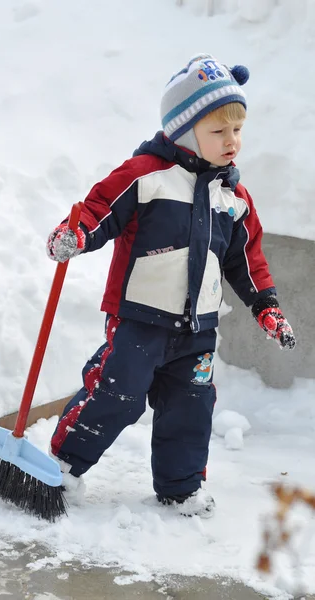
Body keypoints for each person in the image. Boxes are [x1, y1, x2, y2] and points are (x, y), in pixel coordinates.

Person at [46, 53, 296, 517]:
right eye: (219, 131)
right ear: (184, 129)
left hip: (198, 329)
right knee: (116, 397)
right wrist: (76, 234)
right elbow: (100, 207)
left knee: (191, 408)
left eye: (237, 130)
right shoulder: (146, 175)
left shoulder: (233, 197)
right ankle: (61, 467)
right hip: (139, 319)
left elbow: (247, 260)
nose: (232, 142)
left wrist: (266, 306)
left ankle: (180, 488)